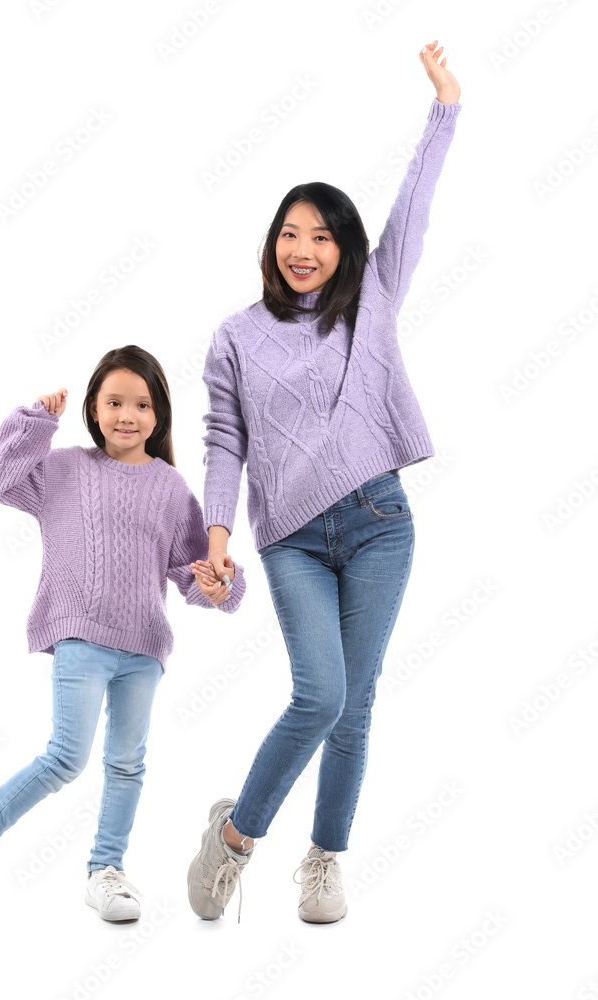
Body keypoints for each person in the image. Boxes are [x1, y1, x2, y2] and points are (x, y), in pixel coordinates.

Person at [186, 40, 462, 923]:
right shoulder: (234, 336)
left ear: (345, 248)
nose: (303, 248)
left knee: (357, 702)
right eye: (289, 233)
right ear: (271, 243)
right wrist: (217, 539)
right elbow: (224, 439)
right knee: (322, 692)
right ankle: (235, 837)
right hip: (291, 537)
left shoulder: (373, 296)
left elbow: (412, 210)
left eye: (321, 235)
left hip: (380, 519)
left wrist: (443, 109)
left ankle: (324, 857)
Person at [0, 345, 245, 930]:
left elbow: (195, 576)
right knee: (66, 758)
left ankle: (106, 870)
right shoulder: (64, 468)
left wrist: (220, 586)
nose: (128, 415)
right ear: (94, 410)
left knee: (127, 765)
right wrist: (34, 423)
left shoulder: (172, 489)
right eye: (115, 402)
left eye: (143, 404)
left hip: (144, 649)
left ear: (160, 415)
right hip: (80, 636)